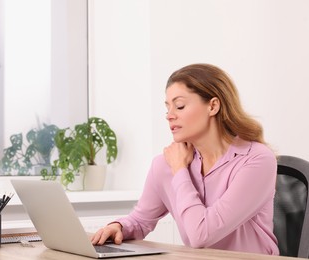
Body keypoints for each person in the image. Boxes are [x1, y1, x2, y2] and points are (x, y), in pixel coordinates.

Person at [91, 63, 279, 255]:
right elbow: (141, 221)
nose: (169, 116)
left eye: (179, 106)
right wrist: (119, 227)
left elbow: (201, 234)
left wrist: (180, 170)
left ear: (213, 106)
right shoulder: (164, 164)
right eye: (167, 108)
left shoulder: (257, 160)